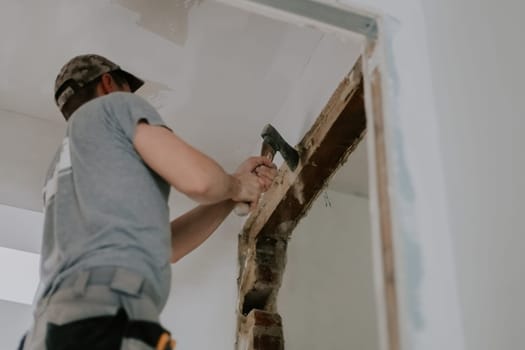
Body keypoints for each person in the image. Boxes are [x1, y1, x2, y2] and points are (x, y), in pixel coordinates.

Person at [19, 54, 277, 350]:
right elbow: (201, 181)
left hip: (51, 330)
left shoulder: (63, 170)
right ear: (107, 83)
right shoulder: (113, 106)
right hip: (102, 318)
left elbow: (167, 247)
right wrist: (236, 184)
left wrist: (231, 196)